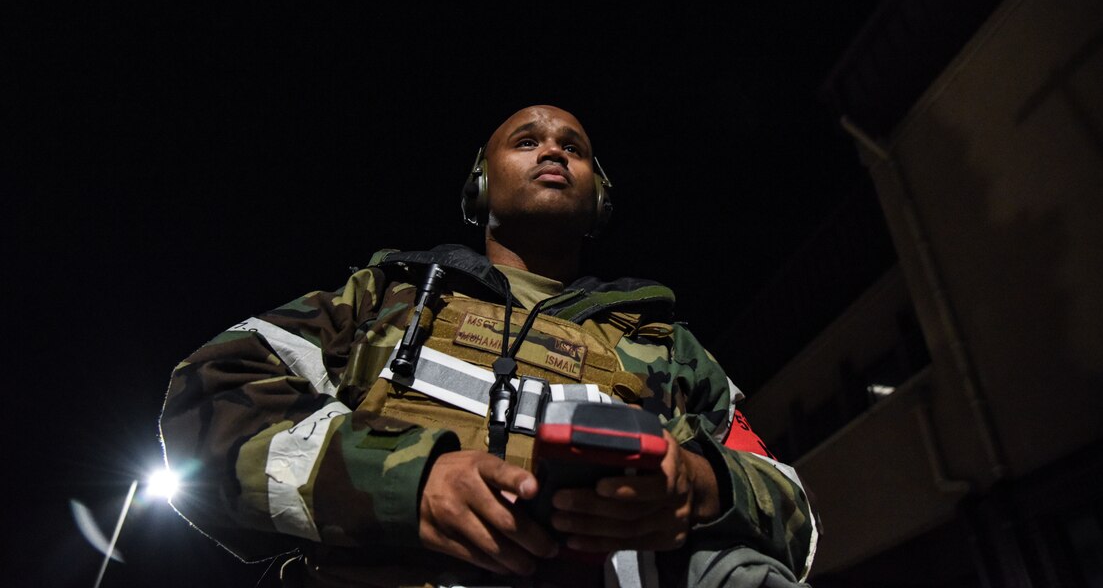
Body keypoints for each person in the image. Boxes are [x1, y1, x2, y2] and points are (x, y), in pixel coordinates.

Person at [159, 105, 818, 588]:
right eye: (526, 140)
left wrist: (698, 487)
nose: (553, 151)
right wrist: (408, 485)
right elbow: (209, 401)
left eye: (574, 147)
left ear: (599, 198)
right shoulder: (381, 298)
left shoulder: (667, 345)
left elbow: (788, 504)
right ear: (480, 185)